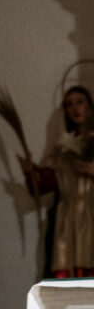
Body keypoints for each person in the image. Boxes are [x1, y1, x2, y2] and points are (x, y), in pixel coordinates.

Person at [24, 85, 94, 278]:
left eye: (79, 102)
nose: (75, 108)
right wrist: (30, 171)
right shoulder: (63, 147)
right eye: (69, 104)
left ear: (90, 107)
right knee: (64, 269)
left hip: (90, 212)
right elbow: (48, 182)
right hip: (66, 216)